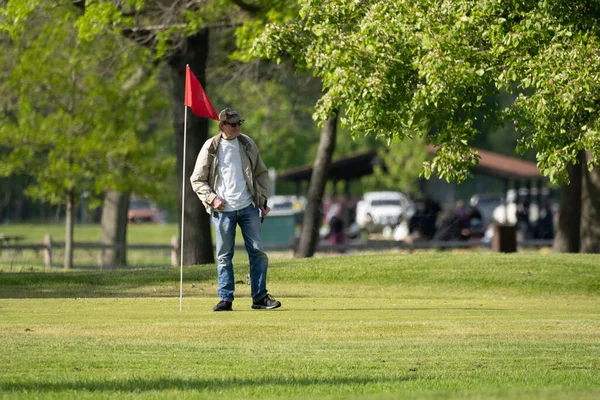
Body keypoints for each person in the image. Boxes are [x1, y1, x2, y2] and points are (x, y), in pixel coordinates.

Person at [190, 108, 281, 312]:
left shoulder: (247, 144)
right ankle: (225, 299)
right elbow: (196, 179)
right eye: (233, 124)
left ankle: (259, 297)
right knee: (224, 256)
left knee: (257, 252)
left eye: (239, 123)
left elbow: (260, 173)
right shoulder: (211, 147)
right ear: (222, 126)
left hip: (248, 207)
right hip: (223, 211)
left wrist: (263, 200)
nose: (237, 127)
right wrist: (212, 198)